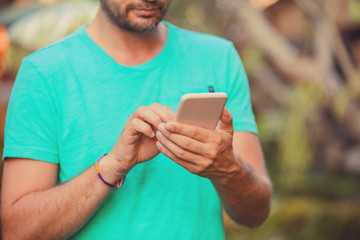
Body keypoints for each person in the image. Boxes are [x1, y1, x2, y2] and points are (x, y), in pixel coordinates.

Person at [1, 0, 272, 239]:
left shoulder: (219, 58)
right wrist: (112, 165)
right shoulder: (45, 73)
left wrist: (228, 170)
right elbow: (17, 232)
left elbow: (257, 214)